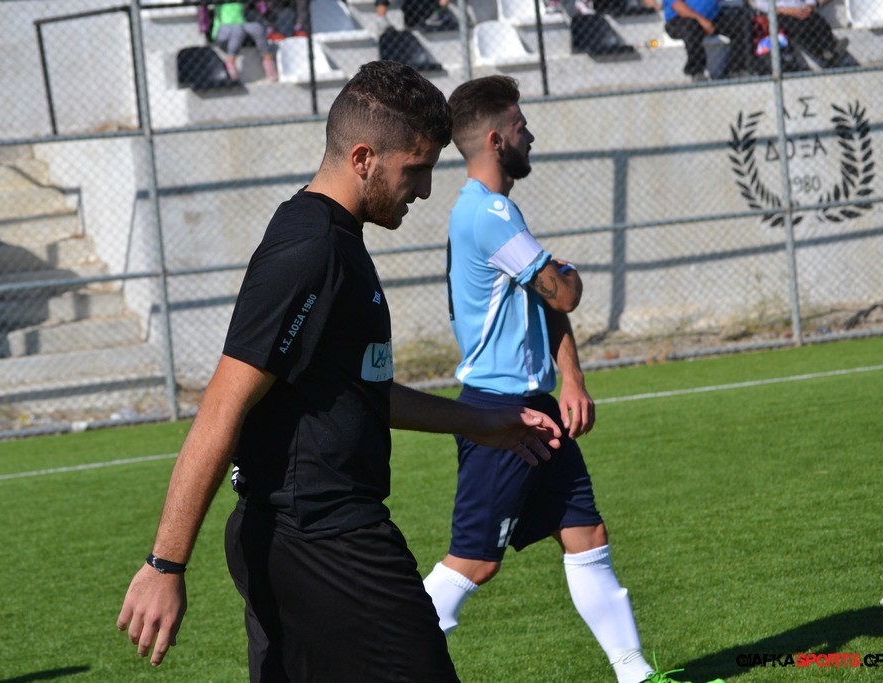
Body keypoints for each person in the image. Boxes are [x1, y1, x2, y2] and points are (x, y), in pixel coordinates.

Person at [116, 61, 567, 682]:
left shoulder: (338, 239)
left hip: (309, 536)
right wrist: (164, 565)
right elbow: (224, 403)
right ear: (363, 159)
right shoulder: (311, 250)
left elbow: (359, 392)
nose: (424, 190)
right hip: (324, 540)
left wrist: (480, 422)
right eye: (416, 169)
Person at [421, 75, 686, 683]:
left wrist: (572, 378)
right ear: (495, 139)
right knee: (474, 563)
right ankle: (376, 664)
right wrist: (567, 269)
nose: (530, 135)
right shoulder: (488, 214)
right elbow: (562, 292)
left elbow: (543, 301)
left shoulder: (492, 210)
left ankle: (636, 674)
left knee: (586, 534)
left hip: (534, 406)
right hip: (501, 415)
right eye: (520, 126)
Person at [664, 0, 755, 81]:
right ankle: (696, 72)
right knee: (691, 27)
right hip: (681, 20)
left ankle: (737, 69)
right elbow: (678, 6)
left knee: (740, 23)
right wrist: (702, 21)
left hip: (712, 19)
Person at [749, 0, 850, 67]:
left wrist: (809, 6)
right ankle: (822, 54)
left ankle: (831, 47)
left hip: (800, 9)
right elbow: (762, 5)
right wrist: (788, 11)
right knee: (797, 26)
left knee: (817, 21)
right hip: (782, 13)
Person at [209, 0, 278, 82]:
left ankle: (268, 62)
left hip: (241, 24)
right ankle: (230, 63)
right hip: (223, 28)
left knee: (257, 28)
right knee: (238, 30)